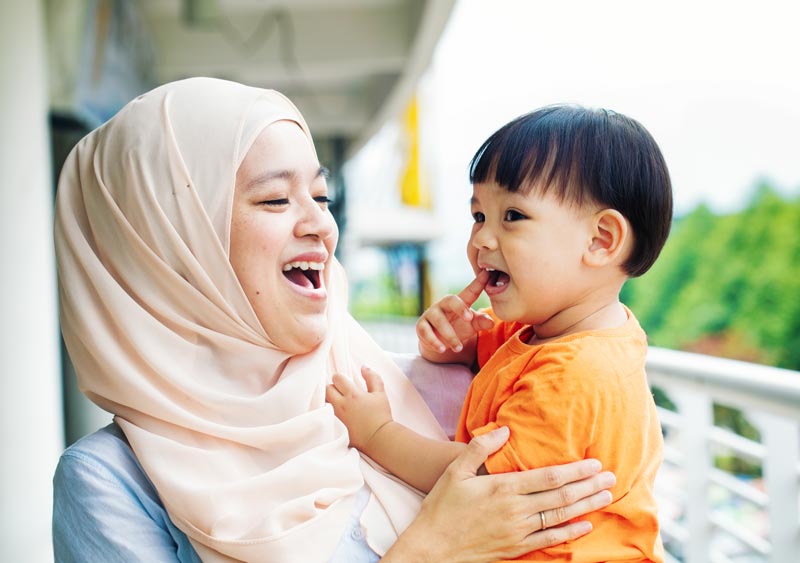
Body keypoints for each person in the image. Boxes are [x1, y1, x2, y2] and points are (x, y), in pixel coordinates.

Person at [52, 79, 617, 563]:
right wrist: (431, 547)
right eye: (276, 201)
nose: (321, 226)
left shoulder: (431, 387)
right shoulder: (112, 483)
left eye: (322, 197)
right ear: (167, 246)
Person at [327, 105, 672, 562]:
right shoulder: (544, 332)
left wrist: (376, 432)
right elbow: (490, 356)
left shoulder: (578, 372)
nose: (482, 240)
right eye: (478, 216)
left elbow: (476, 484)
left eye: (512, 215)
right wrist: (458, 344)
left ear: (600, 240)